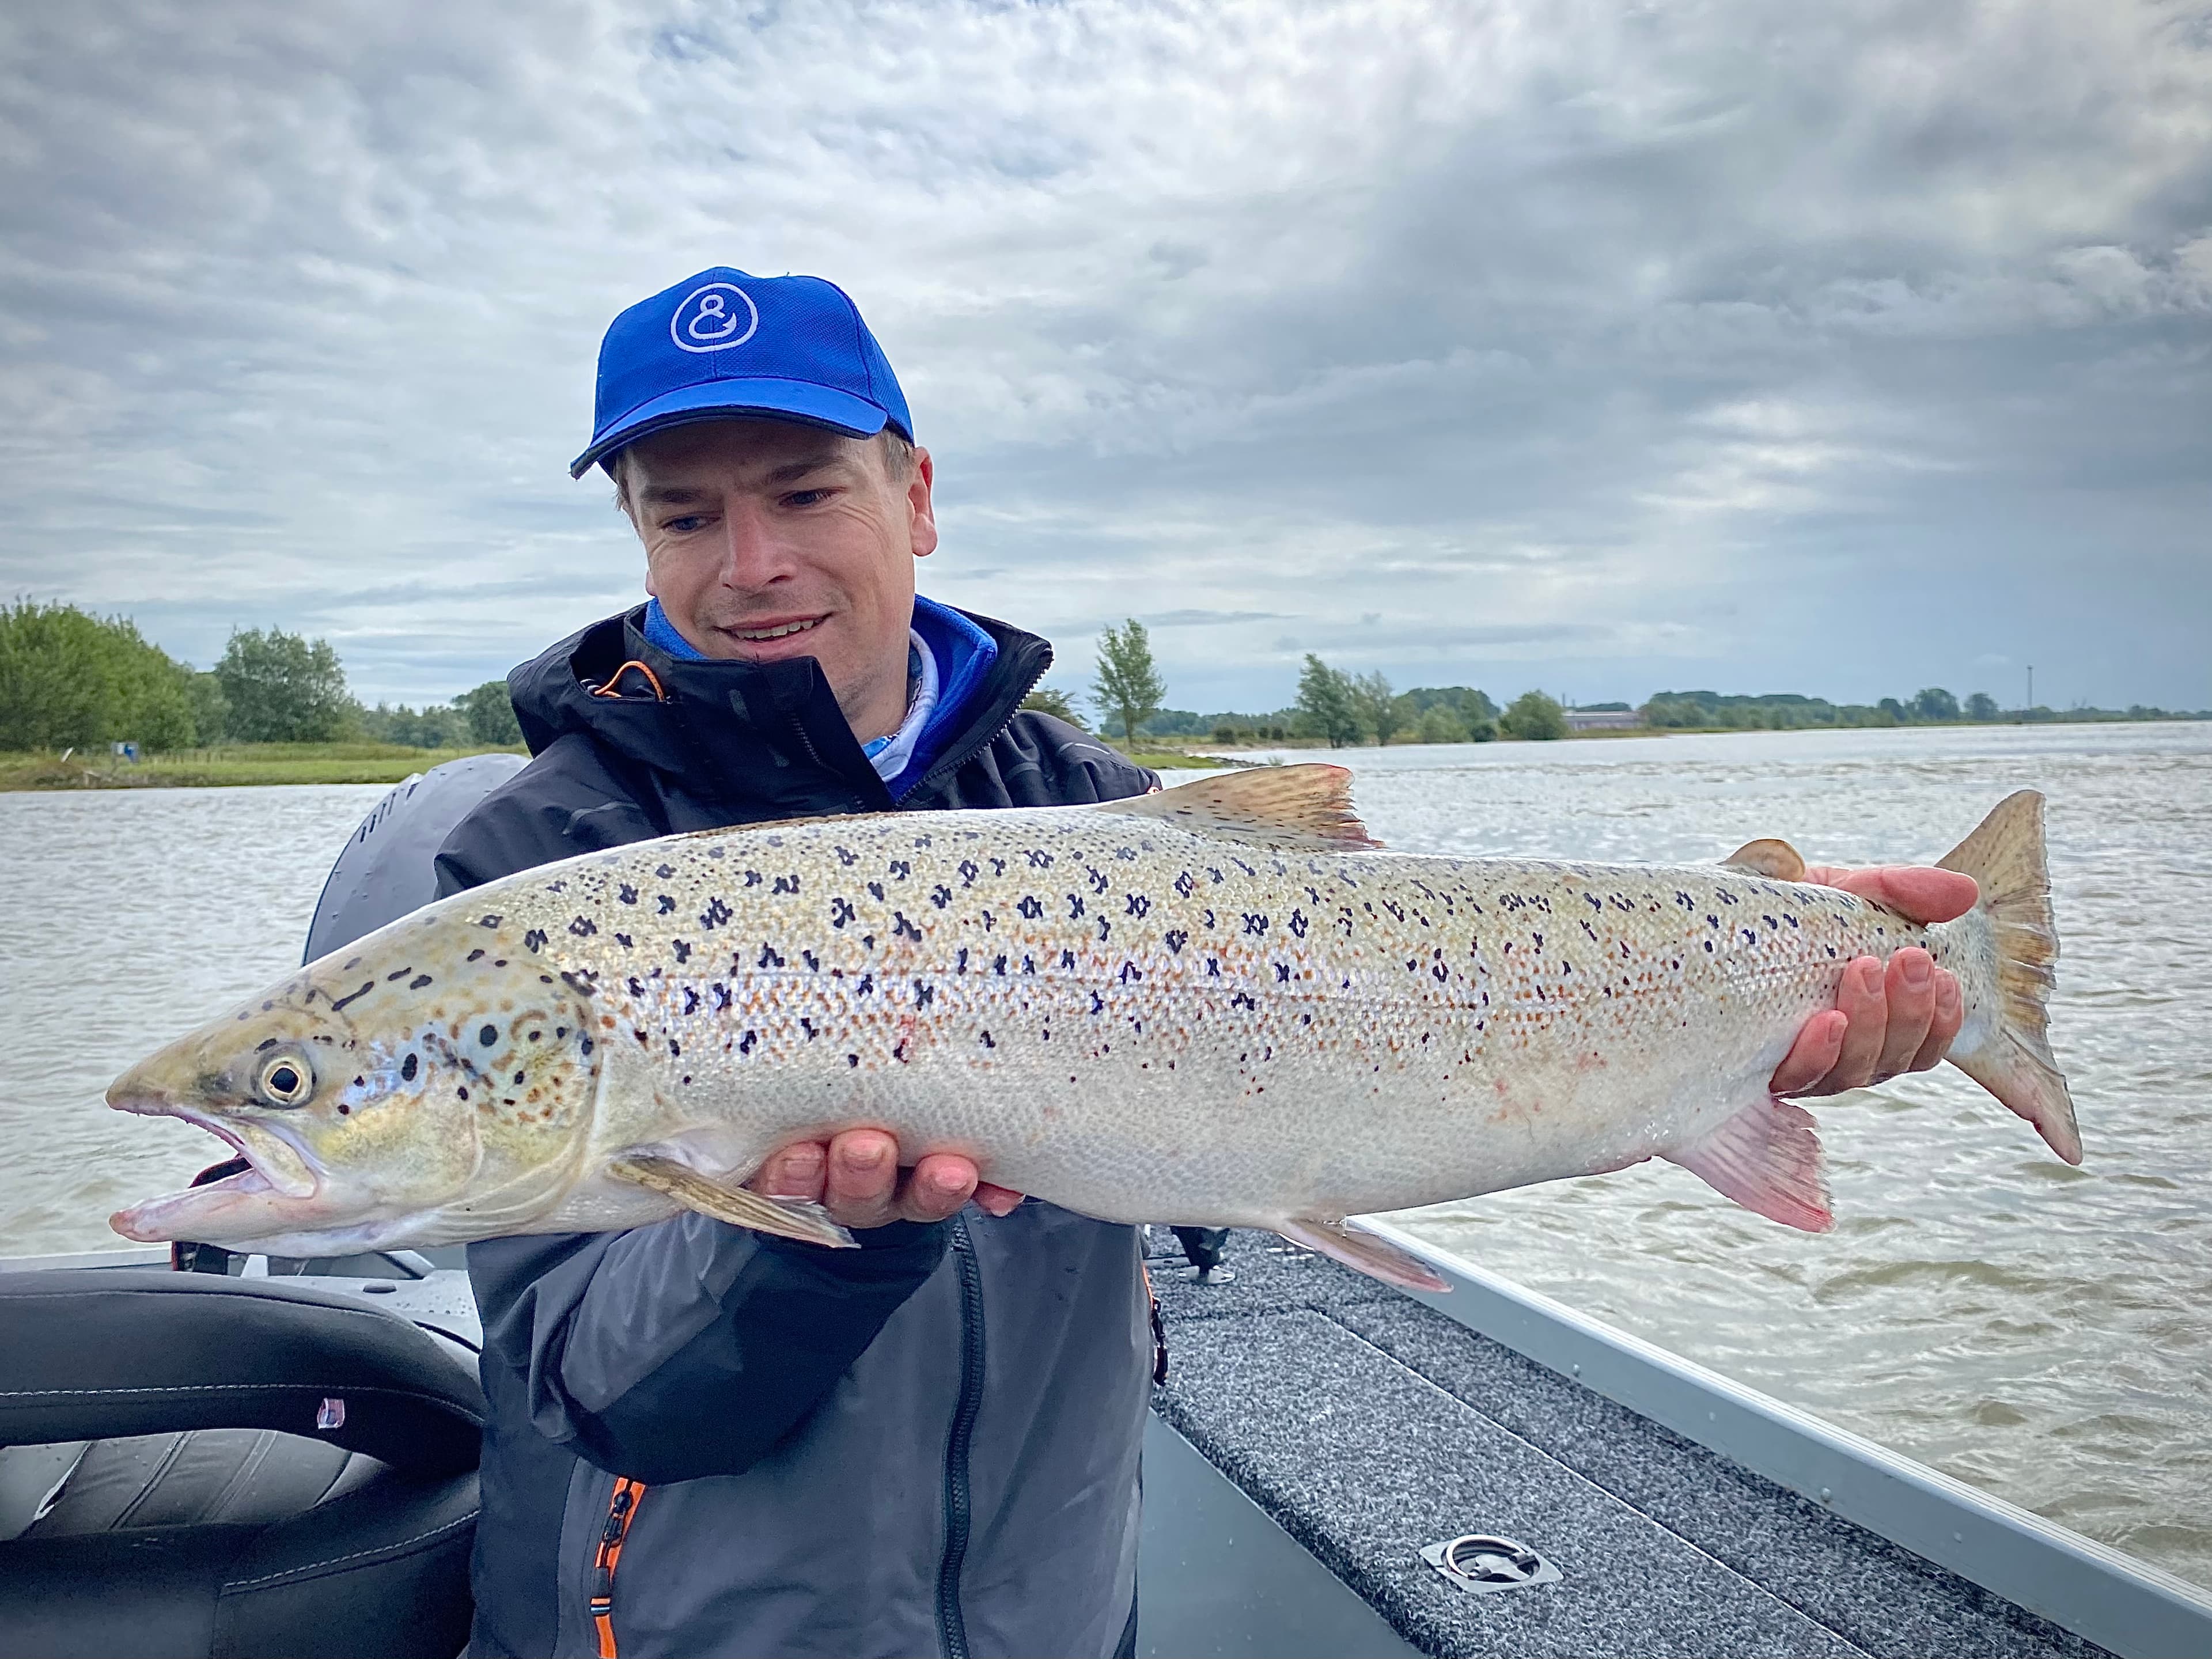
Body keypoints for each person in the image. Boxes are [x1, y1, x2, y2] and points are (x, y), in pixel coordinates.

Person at [436, 266, 1972, 1659]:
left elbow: (1254, 1132)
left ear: (915, 496)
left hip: (1062, 1613)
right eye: (684, 515)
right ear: (635, 532)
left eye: (806, 492)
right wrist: (799, 1234)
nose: (751, 561)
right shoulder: (538, 869)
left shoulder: (1092, 807)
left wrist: (1765, 963)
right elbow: (593, 1386)